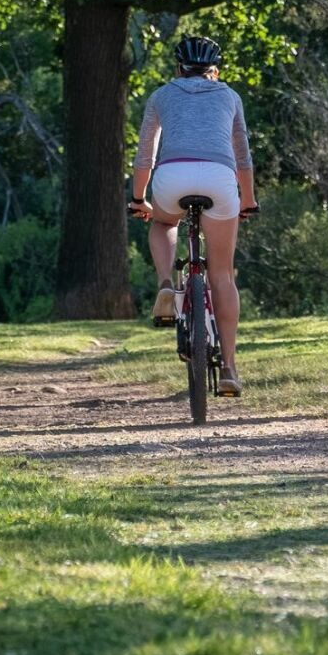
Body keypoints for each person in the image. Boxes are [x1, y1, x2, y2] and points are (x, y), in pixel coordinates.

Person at [128, 35, 257, 396]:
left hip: (172, 177)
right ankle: (230, 368)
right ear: (214, 70)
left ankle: (167, 284)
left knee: (163, 222)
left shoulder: (161, 95)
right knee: (222, 275)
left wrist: (139, 198)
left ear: (178, 67)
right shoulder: (230, 96)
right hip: (220, 179)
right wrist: (248, 201)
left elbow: (144, 157)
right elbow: (243, 157)